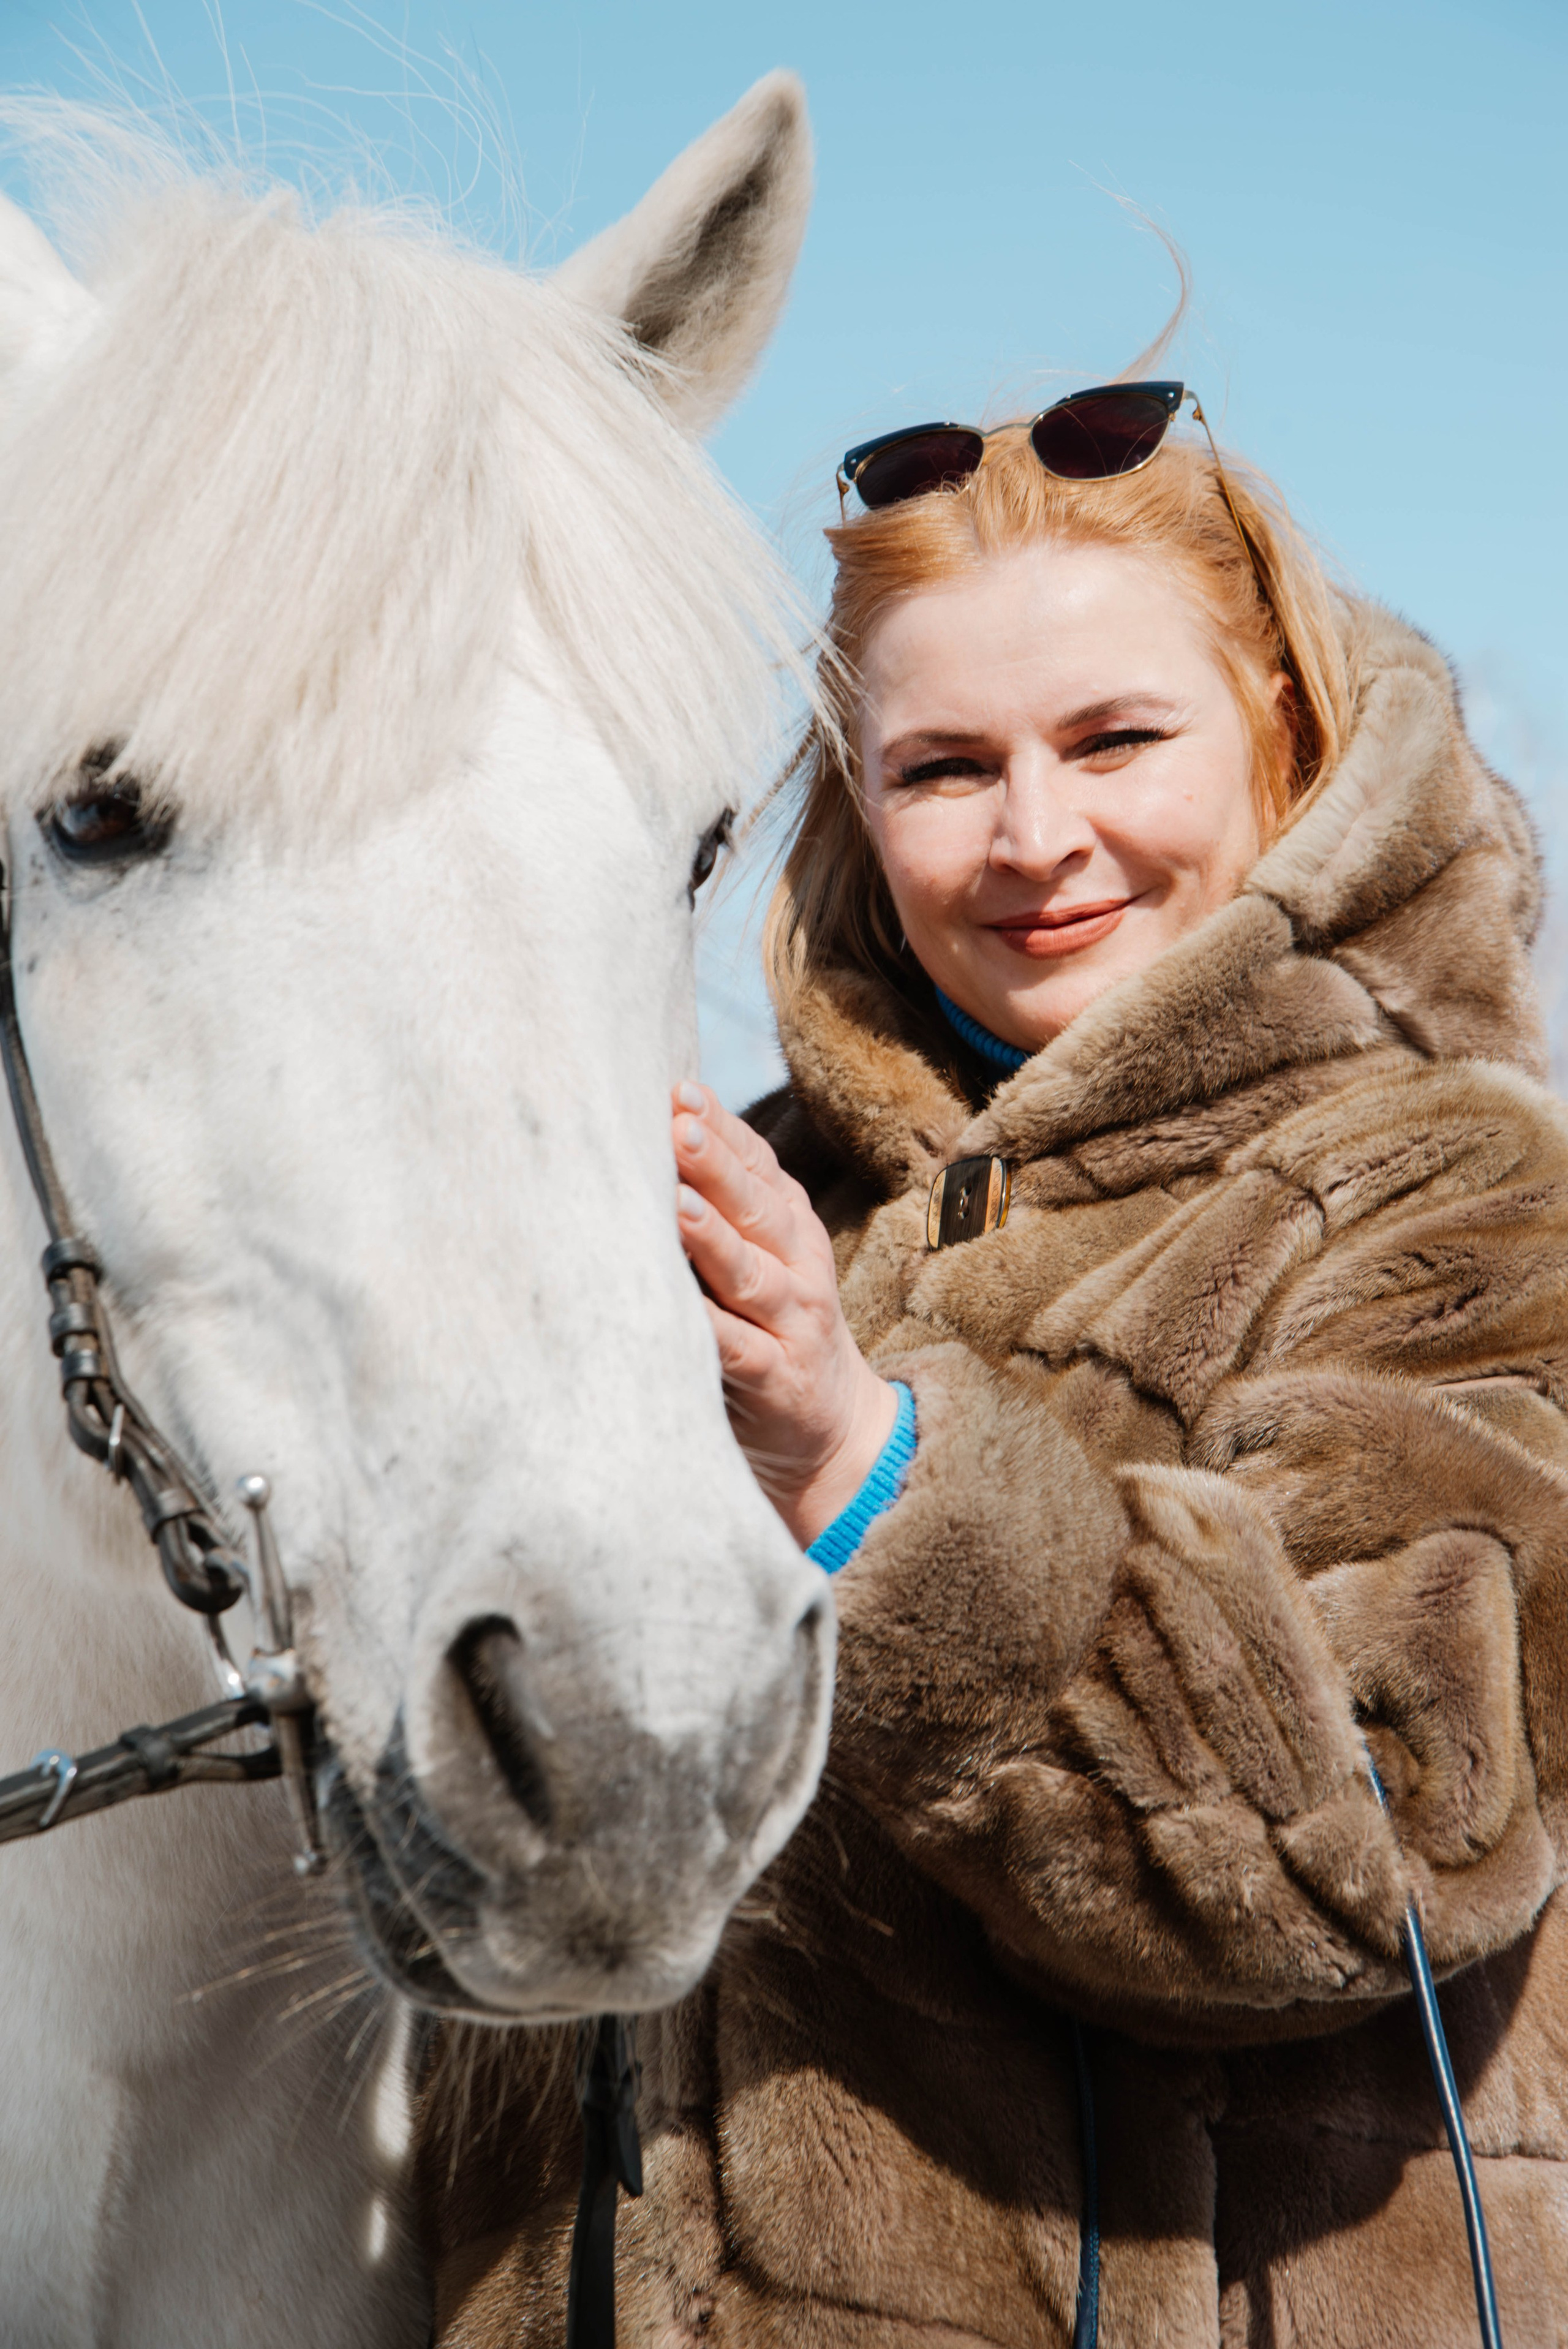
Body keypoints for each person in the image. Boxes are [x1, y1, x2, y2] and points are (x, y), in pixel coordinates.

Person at [423, 382, 1568, 2345]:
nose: (1038, 838)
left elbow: (1369, 1837)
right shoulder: (754, 1200)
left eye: (1115, 739)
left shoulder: (1454, 1183)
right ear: (858, 802)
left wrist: (865, 1467)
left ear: (1282, 722)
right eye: (946, 767)